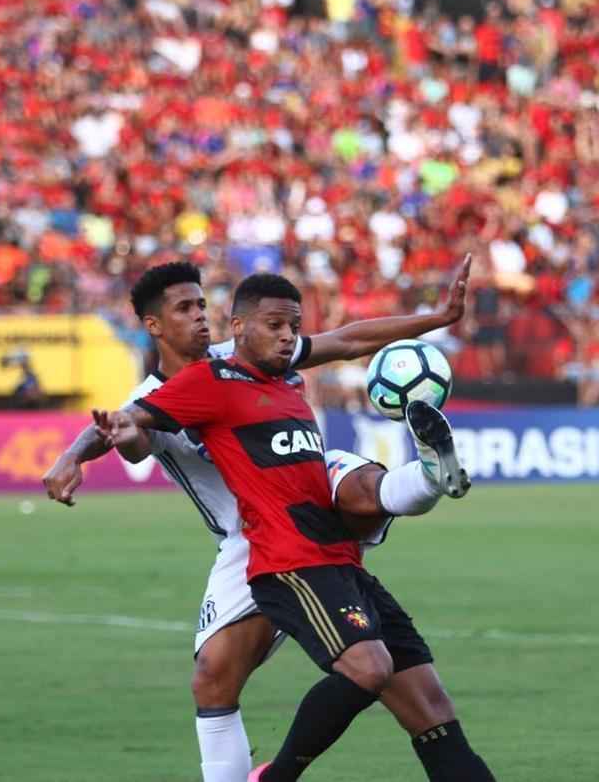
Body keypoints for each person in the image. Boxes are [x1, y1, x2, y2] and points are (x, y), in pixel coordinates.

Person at [43, 259, 487, 781]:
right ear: (154, 326)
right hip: (248, 540)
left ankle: (430, 476)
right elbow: (129, 435)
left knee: (350, 478)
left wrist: (436, 318)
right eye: (184, 309)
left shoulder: (249, 350)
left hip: (306, 492)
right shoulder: (149, 400)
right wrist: (73, 454)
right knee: (213, 679)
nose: (200, 317)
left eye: (202, 304)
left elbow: (345, 341)